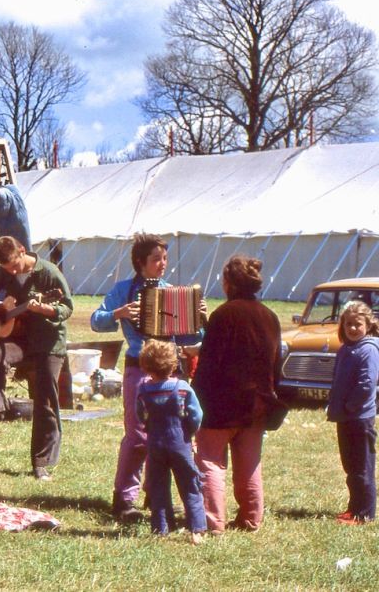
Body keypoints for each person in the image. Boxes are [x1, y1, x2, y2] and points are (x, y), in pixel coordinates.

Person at [90, 232, 203, 521]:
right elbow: (96, 321)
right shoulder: (123, 290)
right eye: (156, 259)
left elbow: (189, 337)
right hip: (138, 367)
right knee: (138, 436)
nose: (163, 264)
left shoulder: (172, 292)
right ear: (140, 262)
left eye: (165, 258)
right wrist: (119, 313)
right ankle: (124, 499)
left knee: (168, 434)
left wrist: (199, 318)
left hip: (170, 370)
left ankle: (157, 495)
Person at [193, 254, 281, 534]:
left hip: (221, 404)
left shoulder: (223, 315)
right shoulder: (270, 316)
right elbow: (276, 364)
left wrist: (194, 398)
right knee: (249, 463)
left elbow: (209, 364)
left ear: (229, 283)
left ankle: (212, 522)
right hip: (257, 404)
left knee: (210, 460)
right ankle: (251, 518)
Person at [0, 235, 73, 481]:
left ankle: (41, 462)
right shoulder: (4, 270)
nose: (11, 271)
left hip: (48, 341)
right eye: (6, 268)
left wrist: (46, 309)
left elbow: (67, 307)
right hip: (20, 339)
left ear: (22, 250)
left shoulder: (48, 273)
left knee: (44, 399)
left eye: (14, 265)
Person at [135, 339, 206, 544]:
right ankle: (196, 528)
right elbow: (196, 415)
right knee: (189, 484)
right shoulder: (182, 388)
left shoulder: (144, 389)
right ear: (173, 364)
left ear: (145, 366)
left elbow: (140, 415)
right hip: (179, 442)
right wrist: (189, 431)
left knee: (158, 486)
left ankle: (161, 527)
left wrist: (149, 425)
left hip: (155, 442)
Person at [327, 300, 379, 525]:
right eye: (348, 324)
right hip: (345, 417)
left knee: (362, 466)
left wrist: (350, 405)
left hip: (359, 418)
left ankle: (364, 513)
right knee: (350, 466)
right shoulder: (346, 349)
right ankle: (354, 507)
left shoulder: (368, 349)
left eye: (358, 324)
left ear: (368, 325)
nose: (353, 328)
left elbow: (367, 384)